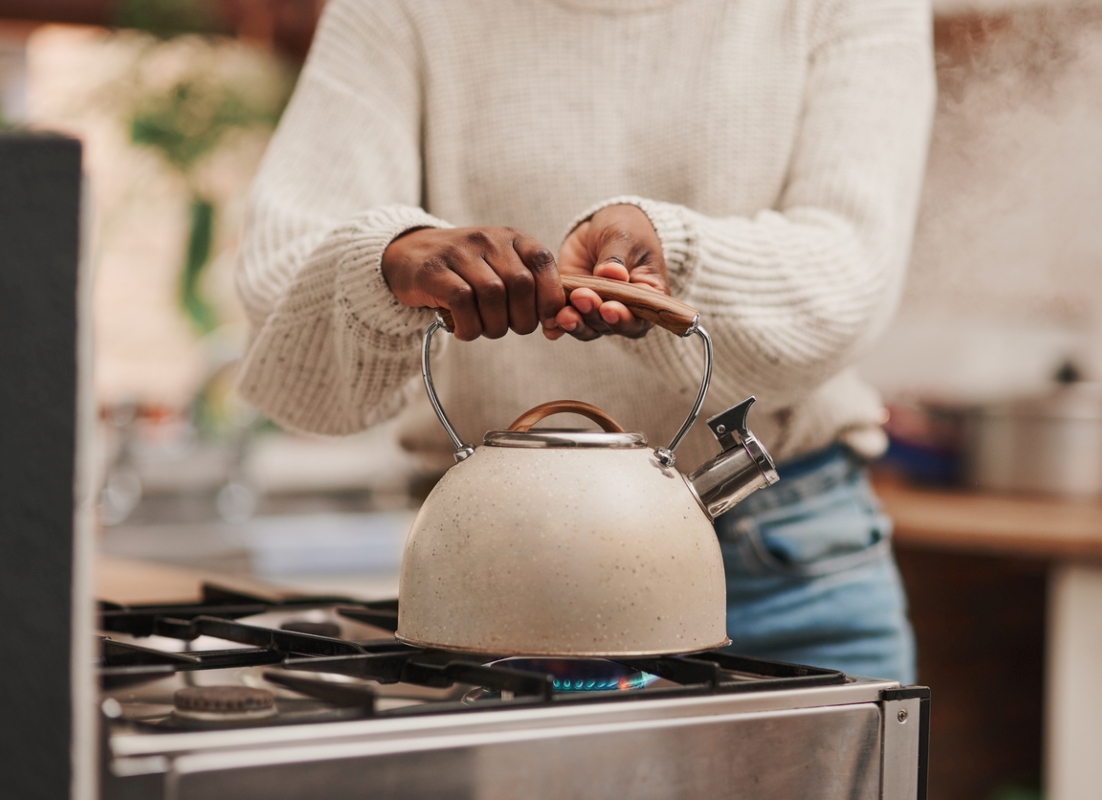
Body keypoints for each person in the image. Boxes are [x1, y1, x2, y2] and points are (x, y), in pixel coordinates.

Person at [237, 0, 935, 683]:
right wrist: (388, 258)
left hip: (787, 574)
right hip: (496, 569)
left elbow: (849, 276)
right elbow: (282, 291)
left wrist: (674, 258)